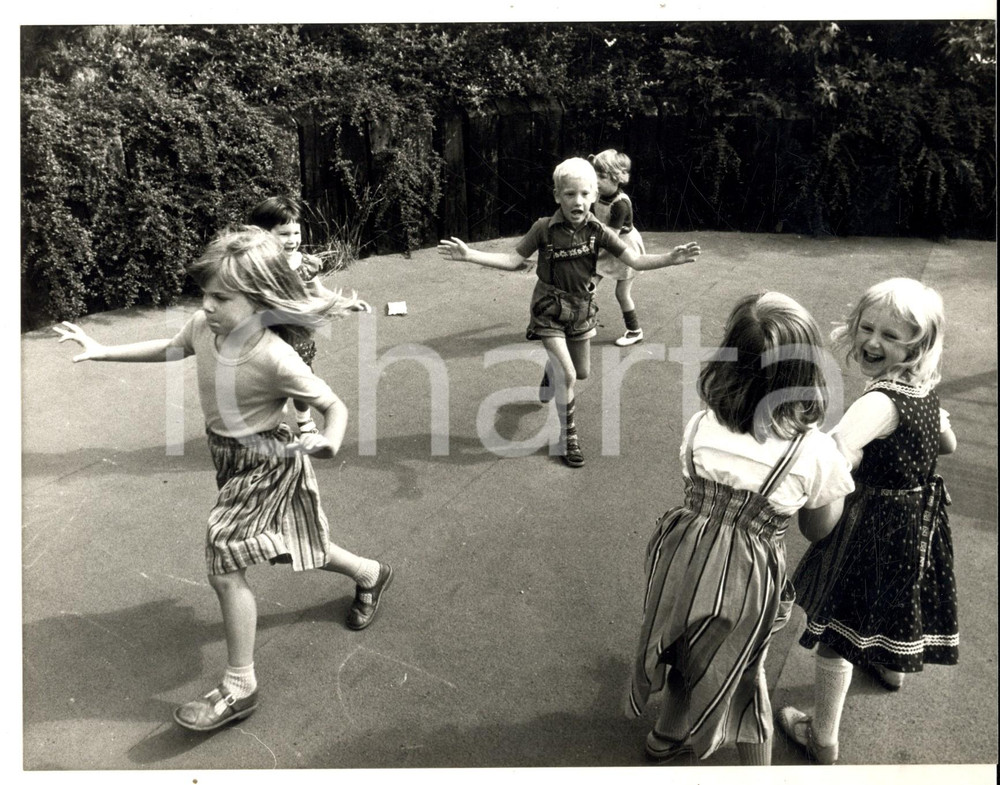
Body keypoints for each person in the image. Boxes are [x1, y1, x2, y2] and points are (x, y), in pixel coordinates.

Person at [53, 226, 394, 732]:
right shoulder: (203, 327)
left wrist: (330, 438)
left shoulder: (276, 357)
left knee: (223, 556)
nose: (207, 305)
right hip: (227, 458)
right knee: (282, 544)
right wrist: (103, 350)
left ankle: (240, 686)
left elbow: (332, 404)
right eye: (205, 294)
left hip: (268, 461)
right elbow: (171, 348)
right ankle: (369, 573)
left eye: (221, 297)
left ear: (260, 303)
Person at [625, 292, 855, 766]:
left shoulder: (702, 424)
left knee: (684, 642)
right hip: (746, 580)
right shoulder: (812, 451)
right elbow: (818, 528)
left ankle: (666, 734)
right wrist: (839, 477)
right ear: (806, 374)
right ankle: (756, 766)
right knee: (745, 669)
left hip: (680, 558)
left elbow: (699, 489)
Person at [778, 278, 958, 765]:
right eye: (867, 327)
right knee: (896, 596)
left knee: (838, 628)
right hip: (917, 521)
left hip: (872, 524)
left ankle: (823, 736)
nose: (873, 342)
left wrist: (811, 449)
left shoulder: (876, 403)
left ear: (917, 345)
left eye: (891, 336)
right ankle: (891, 667)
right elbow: (948, 445)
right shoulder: (925, 391)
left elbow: (836, 453)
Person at [437, 157, 700, 468]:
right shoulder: (544, 229)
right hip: (549, 308)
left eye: (586, 194)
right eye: (570, 194)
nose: (579, 201)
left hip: (582, 309)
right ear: (557, 196)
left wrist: (670, 258)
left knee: (581, 372)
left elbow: (634, 260)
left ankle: (553, 370)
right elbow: (512, 260)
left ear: (594, 194)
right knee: (571, 376)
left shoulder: (598, 230)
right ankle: (568, 436)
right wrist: (470, 256)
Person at [248, 195, 370, 435]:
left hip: (296, 333)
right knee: (269, 381)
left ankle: (304, 421)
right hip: (265, 333)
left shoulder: (304, 263)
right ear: (263, 234)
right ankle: (271, 420)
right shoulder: (256, 265)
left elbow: (319, 292)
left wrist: (346, 303)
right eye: (284, 234)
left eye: (296, 233)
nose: (292, 240)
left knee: (302, 376)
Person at [589, 149, 647, 346]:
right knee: (587, 286)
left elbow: (611, 236)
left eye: (602, 176)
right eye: (594, 174)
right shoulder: (596, 195)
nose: (596, 180)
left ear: (616, 178)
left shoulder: (620, 204)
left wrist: (589, 237)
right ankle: (586, 322)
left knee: (621, 293)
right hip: (605, 244)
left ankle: (634, 330)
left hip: (623, 248)